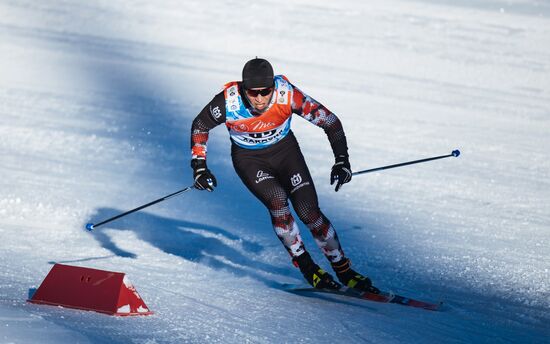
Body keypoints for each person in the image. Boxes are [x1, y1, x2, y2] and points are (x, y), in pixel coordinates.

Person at [190, 58, 378, 293]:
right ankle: (308, 268)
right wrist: (199, 166)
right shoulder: (229, 101)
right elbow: (200, 125)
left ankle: (344, 270)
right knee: (278, 201)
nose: (259, 99)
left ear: (273, 87)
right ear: (243, 88)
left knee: (309, 211)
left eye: (265, 92)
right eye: (253, 92)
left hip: (285, 153)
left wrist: (342, 161)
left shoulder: (286, 95)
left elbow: (330, 121)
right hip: (249, 160)